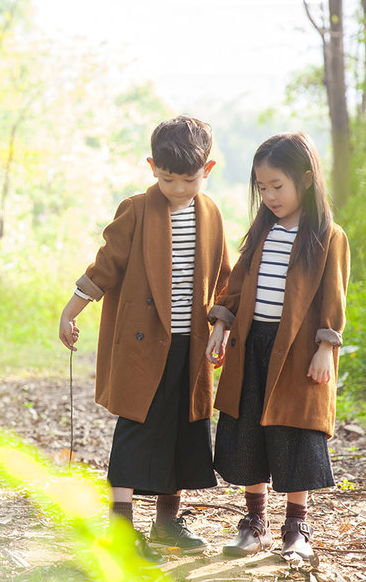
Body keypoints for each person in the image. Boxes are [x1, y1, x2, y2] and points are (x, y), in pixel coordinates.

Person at [59, 116, 232, 560]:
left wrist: (221, 326)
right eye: (168, 178)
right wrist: (70, 311)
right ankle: (120, 528)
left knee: (184, 427)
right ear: (153, 166)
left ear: (207, 170)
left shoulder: (210, 213)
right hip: (141, 346)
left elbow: (224, 279)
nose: (177, 188)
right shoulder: (136, 209)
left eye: (188, 180)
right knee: (137, 429)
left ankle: (167, 522)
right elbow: (106, 266)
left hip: (189, 345)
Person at [205, 132, 350, 562]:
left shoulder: (327, 235)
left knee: (293, 432)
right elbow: (237, 283)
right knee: (250, 428)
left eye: (277, 186)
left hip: (298, 351)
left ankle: (297, 526)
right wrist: (221, 323)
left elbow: (333, 296)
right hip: (253, 345)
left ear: (305, 180)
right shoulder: (263, 230)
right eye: (262, 188)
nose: (268, 196)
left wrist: (326, 346)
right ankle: (254, 521)